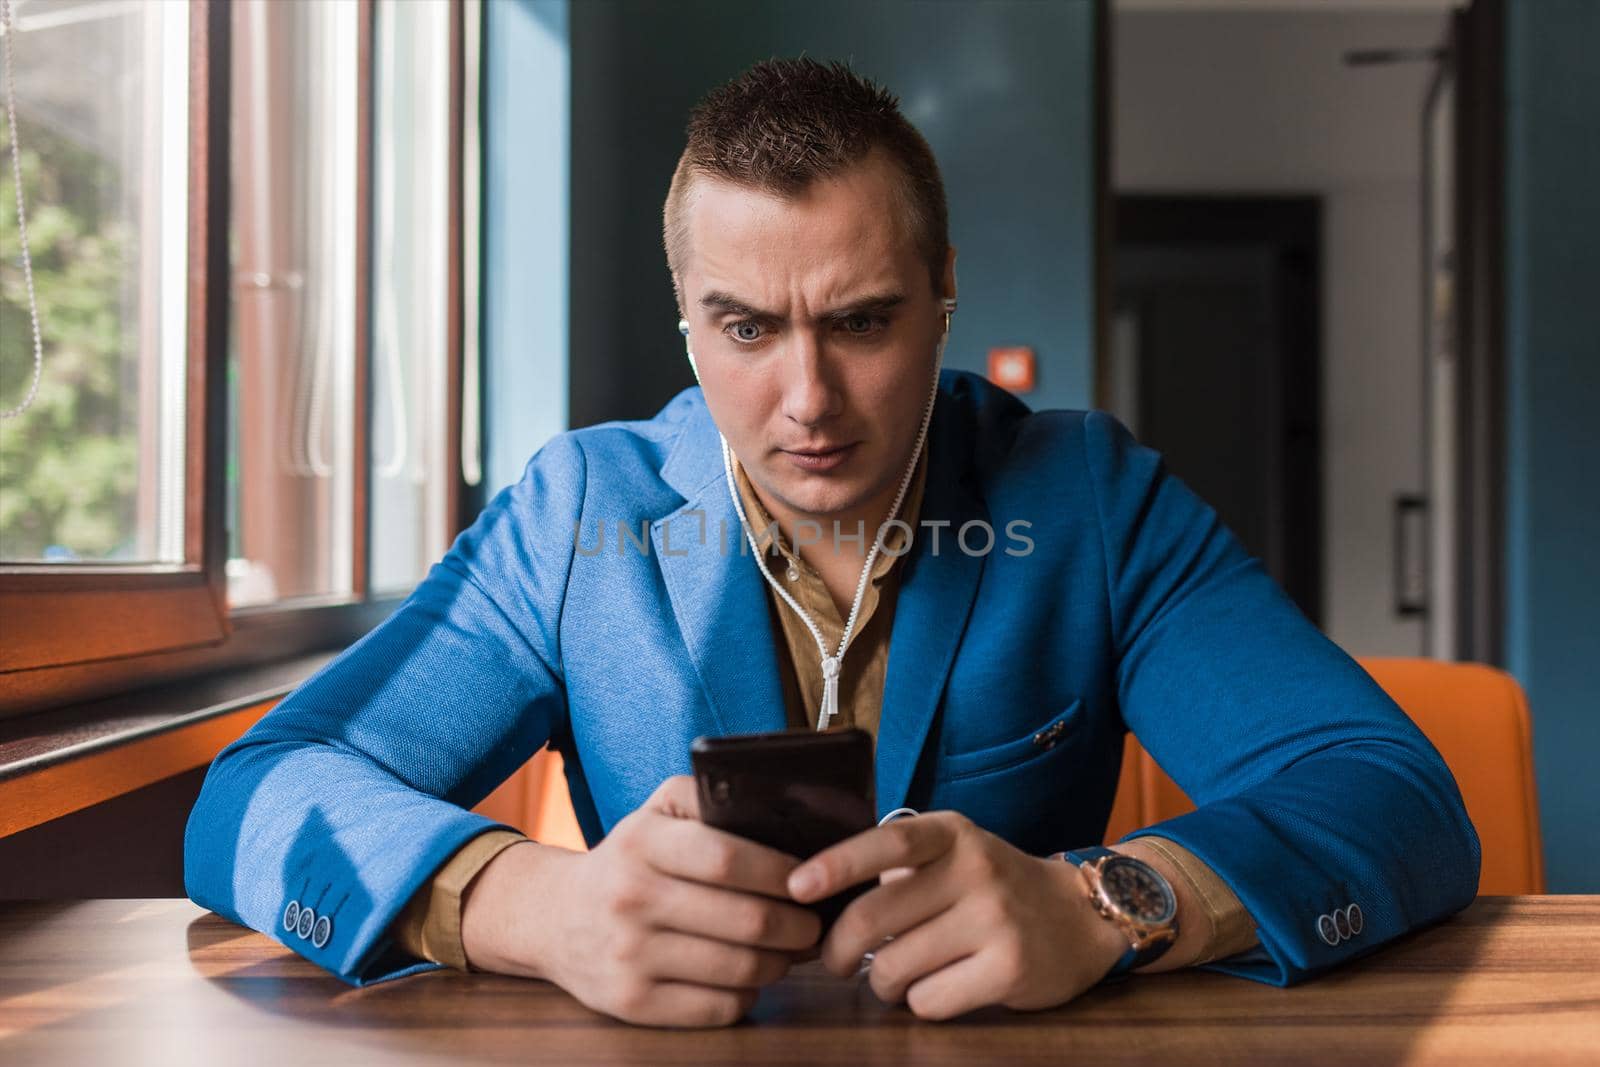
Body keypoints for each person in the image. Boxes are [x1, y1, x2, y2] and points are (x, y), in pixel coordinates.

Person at [184, 58, 1479, 1029]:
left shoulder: (1089, 495)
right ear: (686, 321)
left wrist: (1104, 907)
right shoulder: (575, 512)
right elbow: (257, 795)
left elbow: (1395, 797)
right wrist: (534, 907)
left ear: (944, 294)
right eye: (745, 329)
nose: (807, 401)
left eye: (859, 323)